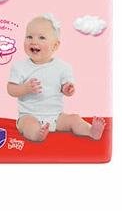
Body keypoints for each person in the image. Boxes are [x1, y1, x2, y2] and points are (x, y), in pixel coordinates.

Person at [7, 13, 105, 142]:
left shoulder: (63, 67)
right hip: (29, 115)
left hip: (56, 117)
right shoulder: (20, 66)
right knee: (28, 125)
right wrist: (25, 88)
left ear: (55, 45)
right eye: (29, 36)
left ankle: (90, 131)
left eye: (42, 37)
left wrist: (68, 88)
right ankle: (37, 134)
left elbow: (66, 89)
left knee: (74, 119)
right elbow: (11, 89)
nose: (34, 41)